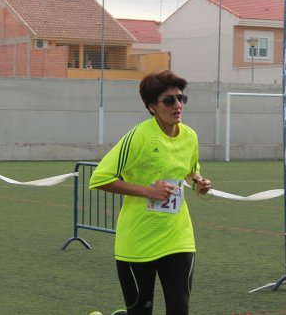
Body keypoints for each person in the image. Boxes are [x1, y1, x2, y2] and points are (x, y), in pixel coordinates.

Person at [89, 70, 212, 315]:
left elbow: (190, 169)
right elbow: (100, 179)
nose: (178, 105)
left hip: (178, 238)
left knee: (179, 310)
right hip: (137, 242)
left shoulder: (190, 137)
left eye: (181, 98)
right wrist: (148, 191)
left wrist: (199, 181)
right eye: (169, 100)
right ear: (152, 107)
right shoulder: (138, 137)